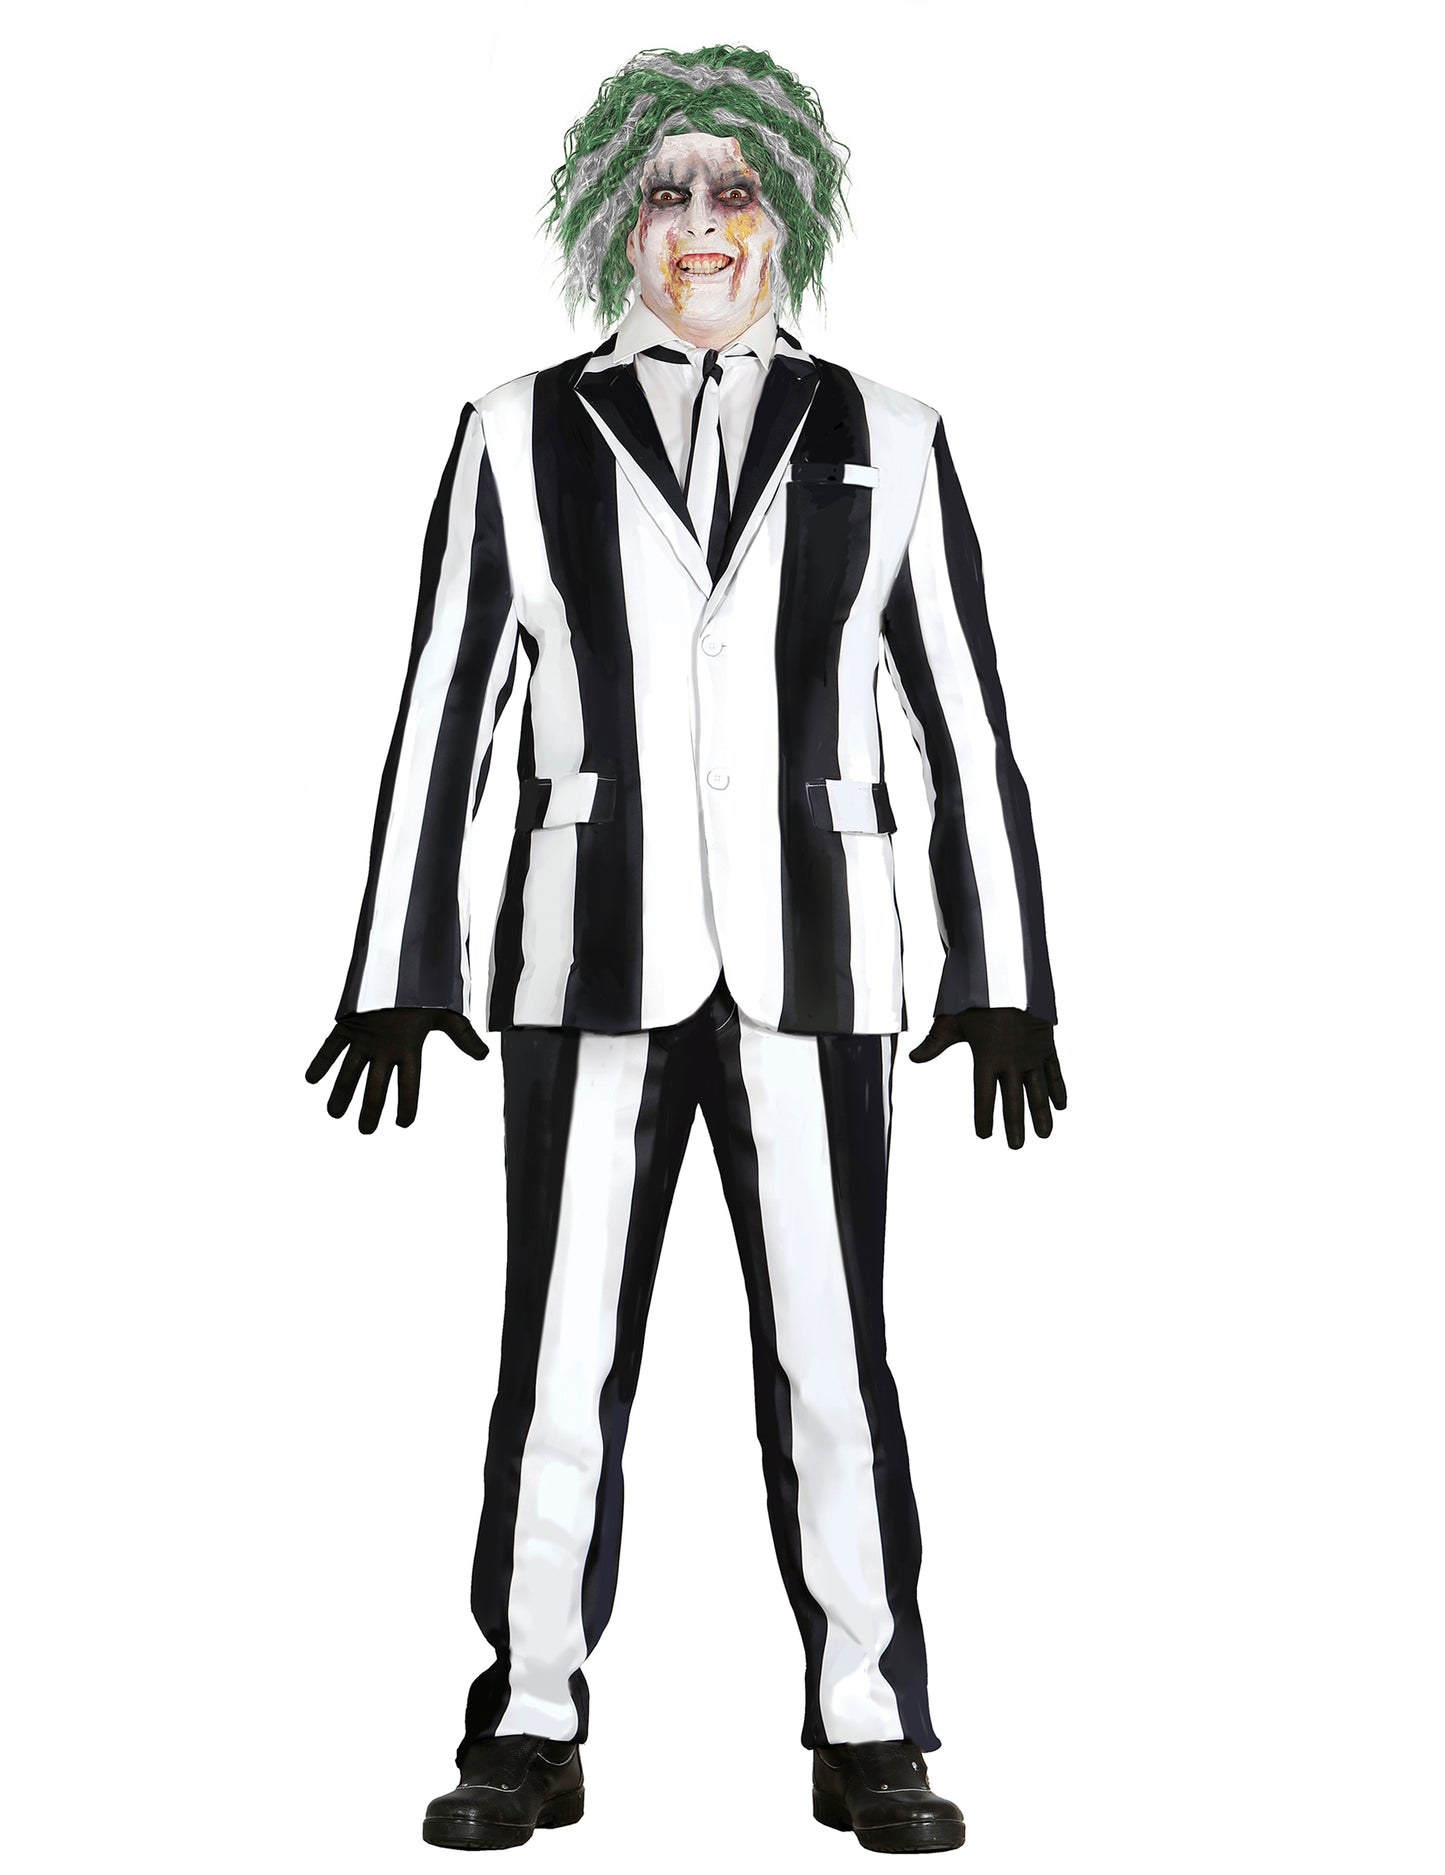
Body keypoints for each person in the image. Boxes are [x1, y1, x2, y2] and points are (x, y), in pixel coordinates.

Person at [306, 44, 1065, 1856]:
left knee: (835, 1361)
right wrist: (402, 962)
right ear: (611, 219)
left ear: (788, 214)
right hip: (586, 959)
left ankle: (872, 1724)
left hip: (818, 962)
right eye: (666, 192)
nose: (702, 226)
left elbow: (960, 718)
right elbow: (444, 707)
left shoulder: (892, 434)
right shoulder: (515, 430)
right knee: (558, 1361)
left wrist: (1000, 972)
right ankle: (527, 1715)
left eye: (735, 191)